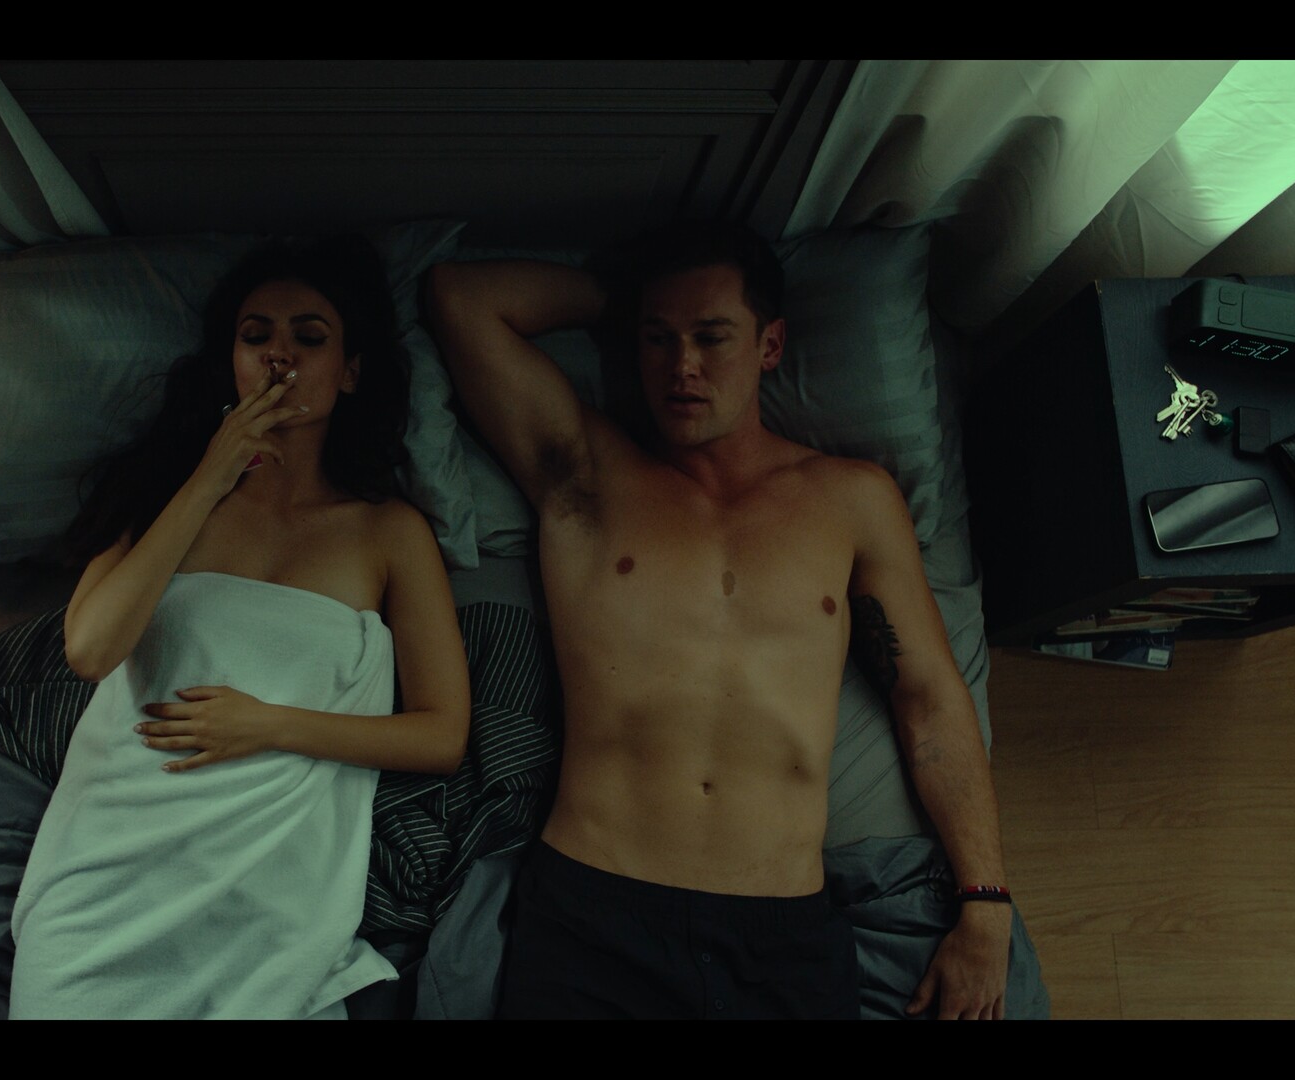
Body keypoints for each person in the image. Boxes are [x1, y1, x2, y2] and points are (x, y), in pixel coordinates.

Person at [425, 222, 1011, 1020]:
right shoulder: (587, 474)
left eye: (711, 337)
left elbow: (931, 697)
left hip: (780, 935)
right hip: (594, 913)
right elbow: (460, 299)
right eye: (659, 340)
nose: (682, 367)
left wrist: (985, 902)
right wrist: (625, 304)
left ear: (771, 345)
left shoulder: (852, 501)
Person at [9, 238, 471, 1020]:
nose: (279, 355)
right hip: (109, 879)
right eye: (256, 337)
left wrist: (270, 726)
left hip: (267, 902)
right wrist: (208, 479)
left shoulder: (388, 532)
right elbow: (89, 651)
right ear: (229, 364)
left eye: (309, 337)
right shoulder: (159, 495)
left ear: (350, 372)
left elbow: (441, 736)